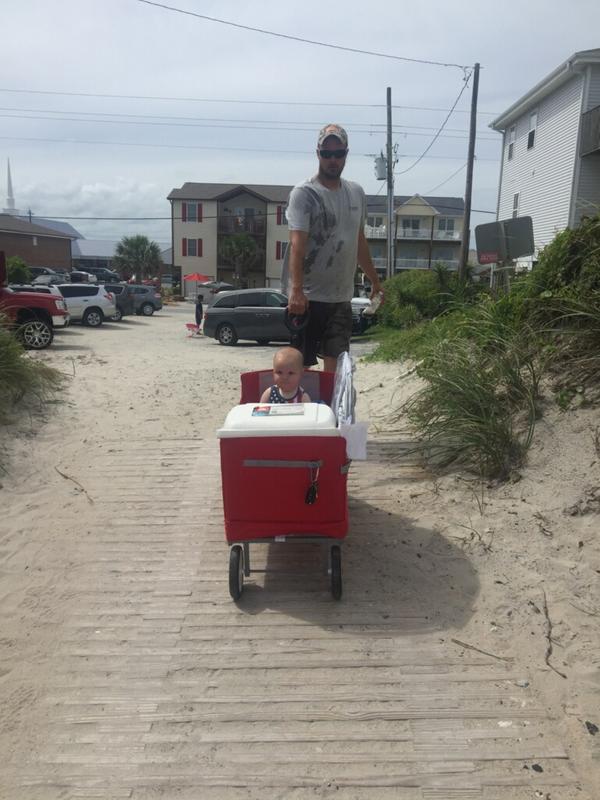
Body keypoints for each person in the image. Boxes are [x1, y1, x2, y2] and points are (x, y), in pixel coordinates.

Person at [282, 123, 383, 372]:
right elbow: (297, 245)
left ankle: (328, 400)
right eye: (327, 154)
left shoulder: (356, 193)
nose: (332, 160)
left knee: (335, 372)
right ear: (318, 153)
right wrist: (296, 291)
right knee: (299, 371)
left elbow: (358, 240)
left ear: (346, 154)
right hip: (307, 298)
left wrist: (374, 280)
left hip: (341, 298)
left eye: (338, 153)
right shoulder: (305, 193)